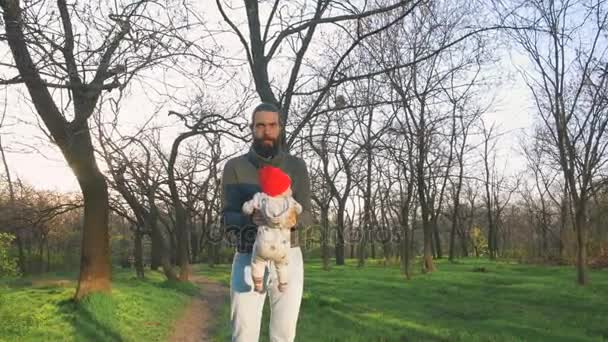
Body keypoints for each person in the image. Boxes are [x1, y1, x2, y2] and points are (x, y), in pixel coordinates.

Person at [221, 102, 312, 342]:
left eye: (272, 125)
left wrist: (292, 219)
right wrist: (250, 218)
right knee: (243, 333)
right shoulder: (234, 167)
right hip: (248, 254)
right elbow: (227, 217)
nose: (267, 131)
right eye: (260, 125)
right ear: (252, 129)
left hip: (288, 255)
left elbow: (308, 215)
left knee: (284, 334)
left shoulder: (296, 166)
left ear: (280, 128)